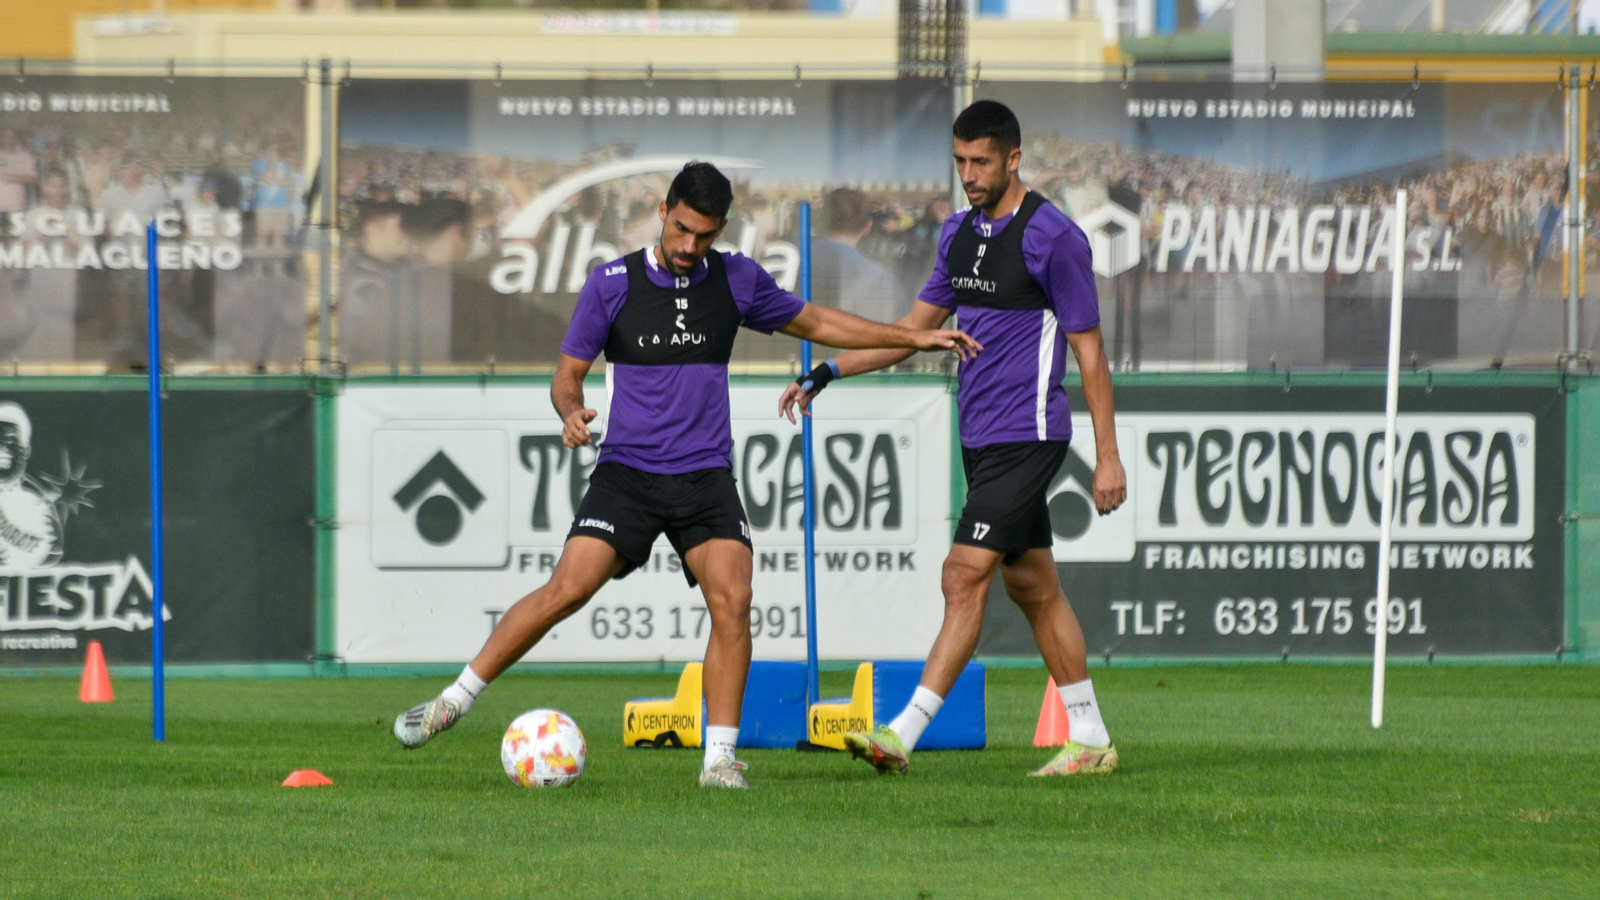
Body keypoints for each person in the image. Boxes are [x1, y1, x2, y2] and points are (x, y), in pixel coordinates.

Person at [391, 162, 980, 789]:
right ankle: (455, 699)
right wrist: (570, 412)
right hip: (628, 475)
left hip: (704, 479)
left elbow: (819, 323)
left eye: (703, 235)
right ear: (663, 210)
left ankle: (719, 760)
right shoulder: (611, 283)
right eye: (680, 229)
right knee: (567, 589)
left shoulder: (737, 279)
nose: (688, 246)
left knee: (734, 600)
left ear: (720, 230)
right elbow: (568, 374)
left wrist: (911, 339)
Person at [780, 100, 1127, 778]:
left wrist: (1107, 455)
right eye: (960, 161)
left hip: (1029, 435)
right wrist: (828, 370)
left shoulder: (1053, 237)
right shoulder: (957, 235)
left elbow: (1090, 352)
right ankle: (1090, 739)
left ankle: (902, 733)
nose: (968, 174)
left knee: (962, 573)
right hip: (981, 438)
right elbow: (912, 331)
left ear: (1013, 159)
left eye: (982, 162)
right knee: (1034, 588)